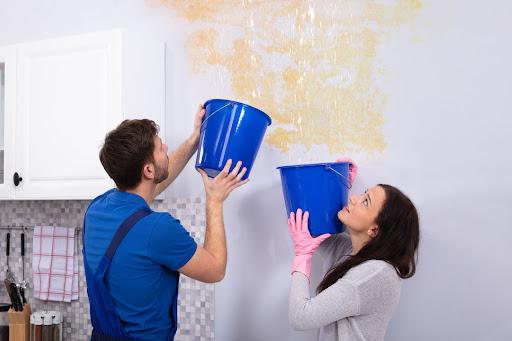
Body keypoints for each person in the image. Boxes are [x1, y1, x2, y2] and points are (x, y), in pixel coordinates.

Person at [83, 105, 248, 340]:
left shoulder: (96, 209)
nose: (167, 148)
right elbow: (215, 270)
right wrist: (214, 201)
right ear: (148, 170)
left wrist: (194, 142)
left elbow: (150, 186)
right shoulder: (158, 229)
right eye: (161, 148)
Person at [287, 161, 420, 341]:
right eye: (363, 193)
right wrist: (333, 185)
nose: (353, 198)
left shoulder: (375, 273)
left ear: (374, 230)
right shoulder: (349, 250)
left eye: (366, 202)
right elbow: (312, 230)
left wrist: (302, 256)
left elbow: (300, 317)